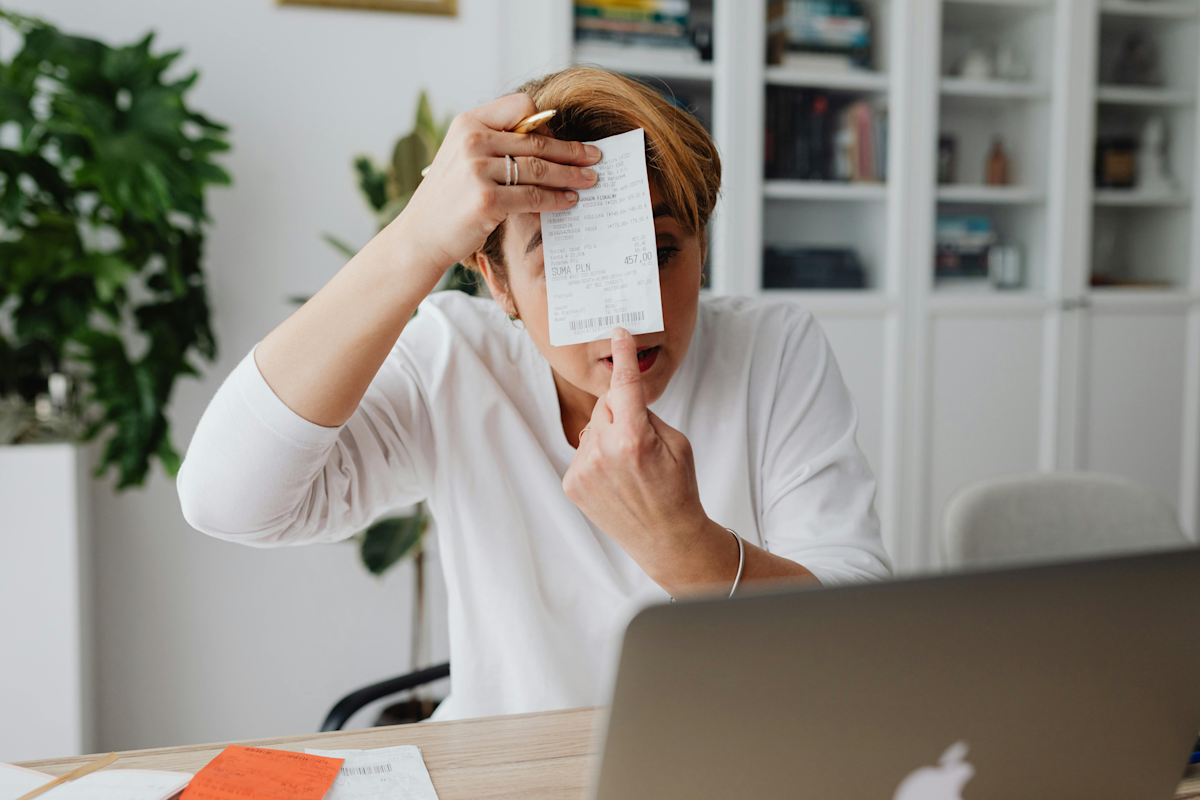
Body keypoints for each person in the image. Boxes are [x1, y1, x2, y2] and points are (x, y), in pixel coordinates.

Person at [177, 66, 891, 721]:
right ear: (498, 284)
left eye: (664, 252)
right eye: (570, 265)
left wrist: (683, 544)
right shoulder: (454, 358)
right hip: (504, 771)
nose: (631, 315)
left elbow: (857, 648)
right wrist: (416, 240)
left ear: (702, 247)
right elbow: (227, 501)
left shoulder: (774, 348)